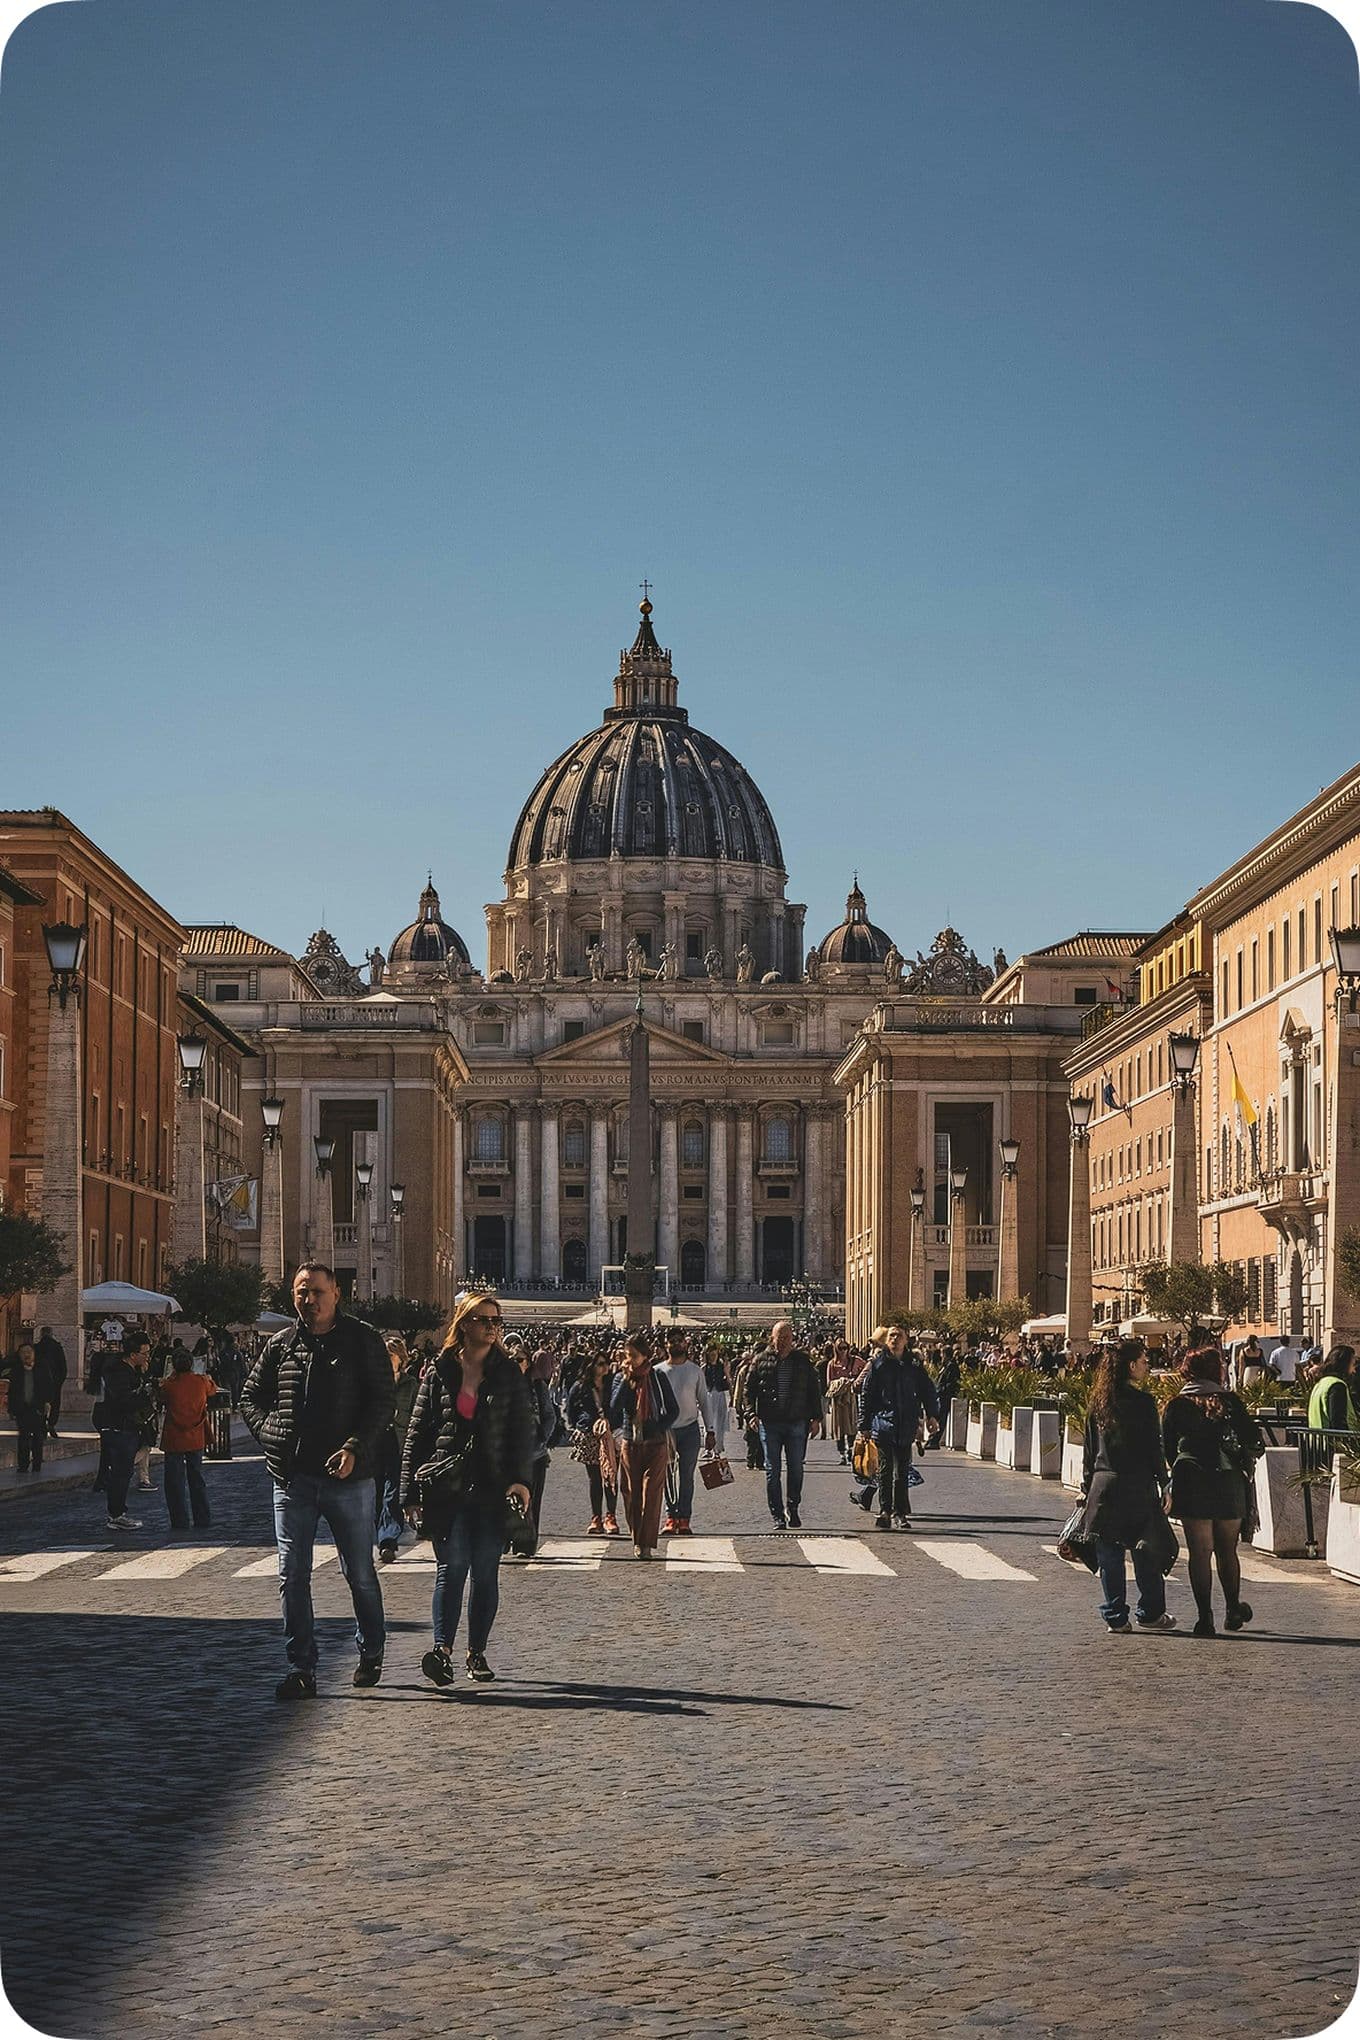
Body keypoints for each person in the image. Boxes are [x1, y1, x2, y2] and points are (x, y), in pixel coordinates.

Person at [241, 1262, 396, 1701]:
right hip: (292, 1479)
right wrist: (271, 1434)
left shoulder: (363, 1340)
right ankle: (302, 1665)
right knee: (292, 1575)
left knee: (359, 1572)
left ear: (337, 1294)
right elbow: (251, 1395)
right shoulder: (282, 1344)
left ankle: (371, 1649)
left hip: (351, 1479)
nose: (308, 1300)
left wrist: (355, 1448)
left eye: (317, 1292)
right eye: (301, 1292)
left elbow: (382, 1404)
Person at [399, 1292, 534, 1685]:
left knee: (486, 1572)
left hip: (493, 1488)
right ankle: (442, 1651)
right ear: (464, 1323)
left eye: (497, 1321)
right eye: (484, 1320)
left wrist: (521, 1480)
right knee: (451, 1567)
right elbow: (417, 1434)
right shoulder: (438, 1369)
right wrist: (408, 1493)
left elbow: (521, 1433)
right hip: (448, 1487)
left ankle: (477, 1652)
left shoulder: (508, 1373)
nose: (493, 1328)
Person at [1162, 1348, 1264, 1639]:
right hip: (1228, 1480)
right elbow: (1253, 1440)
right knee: (1227, 1550)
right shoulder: (1230, 1402)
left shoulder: (1177, 1405)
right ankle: (1232, 1609)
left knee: (1200, 1552)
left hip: (1192, 1480)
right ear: (1215, 1371)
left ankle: (1204, 1617)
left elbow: (1168, 1448)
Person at [1076, 1338, 1174, 1634]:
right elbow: (1153, 1449)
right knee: (1147, 1551)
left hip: (1104, 1485)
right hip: (1137, 1485)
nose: (1147, 1366)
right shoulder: (1143, 1403)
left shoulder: (1099, 1402)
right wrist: (1164, 1483)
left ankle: (1116, 1617)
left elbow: (1089, 1450)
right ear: (1131, 1366)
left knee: (1110, 1555)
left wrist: (1086, 1486)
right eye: (1144, 1361)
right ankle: (1151, 1613)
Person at [857, 1326, 939, 1531]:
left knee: (901, 1471)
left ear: (906, 1340)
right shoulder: (878, 1364)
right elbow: (867, 1396)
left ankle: (900, 1513)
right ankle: (885, 1510)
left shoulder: (913, 1365)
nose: (894, 1338)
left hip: (906, 1424)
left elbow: (927, 1390)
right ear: (886, 1340)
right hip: (883, 1423)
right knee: (885, 1470)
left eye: (898, 1335)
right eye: (891, 1335)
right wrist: (864, 1425)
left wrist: (932, 1415)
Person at [748, 1320, 823, 1530]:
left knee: (796, 1468)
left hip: (796, 1422)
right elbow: (749, 1390)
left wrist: (816, 1418)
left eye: (787, 1338)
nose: (783, 1342)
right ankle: (777, 1514)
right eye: (779, 1338)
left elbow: (813, 1391)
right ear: (772, 1338)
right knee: (773, 1470)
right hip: (770, 1422)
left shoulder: (802, 1362)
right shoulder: (760, 1360)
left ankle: (793, 1507)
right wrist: (750, 1415)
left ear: (793, 1339)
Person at [609, 1333, 679, 1560]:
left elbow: (673, 1409)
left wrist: (660, 1426)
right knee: (631, 1493)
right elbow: (614, 1408)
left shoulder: (658, 1377)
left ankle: (646, 1543)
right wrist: (626, 1380)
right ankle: (636, 1537)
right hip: (631, 1442)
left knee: (651, 1494)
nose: (628, 1360)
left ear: (645, 1356)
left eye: (633, 1356)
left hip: (655, 1443)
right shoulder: (621, 1378)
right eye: (626, 1356)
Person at [656, 1331, 717, 1536]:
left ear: (686, 1344)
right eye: (672, 1341)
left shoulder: (695, 1371)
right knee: (667, 1475)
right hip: (666, 1430)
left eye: (679, 1341)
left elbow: (704, 1401)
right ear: (666, 1345)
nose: (676, 1344)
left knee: (687, 1476)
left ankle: (684, 1518)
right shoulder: (658, 1371)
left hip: (690, 1428)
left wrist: (710, 1430)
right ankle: (671, 1516)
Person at [97, 1331, 156, 1531]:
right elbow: (125, 1401)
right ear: (133, 1355)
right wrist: (145, 1392)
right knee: (121, 1472)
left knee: (123, 1471)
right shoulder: (119, 1373)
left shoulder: (128, 1370)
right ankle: (116, 1514)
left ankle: (117, 1512)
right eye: (145, 1353)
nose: (147, 1356)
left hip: (125, 1427)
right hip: (119, 1427)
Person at [156, 1349, 219, 1531]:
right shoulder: (200, 1382)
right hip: (196, 1435)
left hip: (175, 1436)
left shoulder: (169, 1385)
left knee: (174, 1481)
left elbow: (161, 1397)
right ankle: (202, 1518)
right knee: (197, 1478)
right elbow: (213, 1390)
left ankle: (179, 1520)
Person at [375, 1335, 421, 1563]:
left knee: (392, 1493)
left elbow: (416, 1416)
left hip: (399, 1442)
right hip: (374, 1443)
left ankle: (387, 1541)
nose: (386, 1360)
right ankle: (376, 1534)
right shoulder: (372, 1383)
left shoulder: (410, 1384)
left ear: (400, 1359)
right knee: (373, 1493)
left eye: (390, 1355)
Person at [566, 1350, 620, 1534]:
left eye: (606, 1363)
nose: (605, 1366)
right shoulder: (580, 1387)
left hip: (611, 1434)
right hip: (590, 1434)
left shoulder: (613, 1384)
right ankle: (596, 1516)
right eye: (600, 1363)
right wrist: (581, 1425)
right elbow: (570, 1411)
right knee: (595, 1478)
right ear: (591, 1366)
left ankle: (610, 1516)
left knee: (610, 1476)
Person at [4, 1341, 57, 1474]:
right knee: (23, 1437)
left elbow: (49, 1385)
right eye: (23, 1352)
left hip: (37, 1408)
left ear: (34, 1354)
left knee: (38, 1437)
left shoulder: (42, 1368)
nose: (26, 1355)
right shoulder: (17, 1370)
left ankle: (37, 1464)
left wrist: (47, 1402)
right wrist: (12, 1409)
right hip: (22, 1409)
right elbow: (13, 1391)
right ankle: (23, 1465)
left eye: (29, 1352)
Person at [824, 1339, 862, 1465]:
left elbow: (867, 1367)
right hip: (838, 1399)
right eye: (840, 1348)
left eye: (845, 1348)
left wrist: (856, 1380)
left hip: (850, 1397)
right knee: (839, 1427)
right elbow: (829, 1382)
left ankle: (850, 1449)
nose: (843, 1351)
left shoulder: (854, 1361)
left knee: (851, 1425)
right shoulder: (832, 1364)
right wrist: (841, 1382)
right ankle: (842, 1454)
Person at [1307, 1346, 1359, 1433]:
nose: (1354, 1370)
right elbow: (1338, 1421)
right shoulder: (1337, 1386)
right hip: (1333, 1442)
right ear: (1344, 1364)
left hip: (1317, 1441)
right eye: (1353, 1364)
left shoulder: (1321, 1383)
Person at [33, 1328, 66, 1440]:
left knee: (40, 1404)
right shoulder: (57, 1347)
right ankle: (51, 1424)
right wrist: (60, 1381)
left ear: (41, 1334)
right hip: (54, 1381)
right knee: (55, 1404)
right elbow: (63, 1367)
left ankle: (42, 1426)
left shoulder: (37, 1347)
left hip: (40, 1382)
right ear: (51, 1334)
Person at [703, 1346, 732, 1455]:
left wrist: (732, 1396)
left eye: (714, 1355)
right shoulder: (705, 1368)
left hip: (720, 1395)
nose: (713, 1357)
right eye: (711, 1355)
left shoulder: (722, 1367)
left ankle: (717, 1448)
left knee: (719, 1423)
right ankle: (708, 1448)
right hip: (709, 1395)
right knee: (709, 1422)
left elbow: (729, 1381)